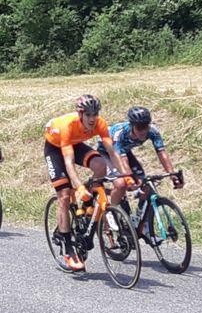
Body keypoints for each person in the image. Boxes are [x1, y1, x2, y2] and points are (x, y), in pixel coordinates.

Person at [43, 95, 135, 271]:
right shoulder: (68, 126)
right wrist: (78, 187)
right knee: (64, 196)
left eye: (95, 114)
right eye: (88, 115)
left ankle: (87, 204)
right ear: (80, 114)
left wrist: (126, 174)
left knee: (100, 165)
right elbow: (68, 162)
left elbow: (112, 152)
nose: (92, 118)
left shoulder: (100, 123)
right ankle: (67, 246)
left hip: (75, 144)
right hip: (55, 147)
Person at [100, 106, 184, 224]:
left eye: (145, 126)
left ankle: (140, 221)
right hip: (107, 152)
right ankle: (112, 211)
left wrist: (172, 174)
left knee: (144, 183)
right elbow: (122, 161)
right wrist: (129, 178)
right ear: (131, 125)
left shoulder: (153, 131)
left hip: (124, 151)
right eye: (139, 127)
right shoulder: (120, 134)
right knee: (122, 184)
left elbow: (162, 153)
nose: (143, 131)